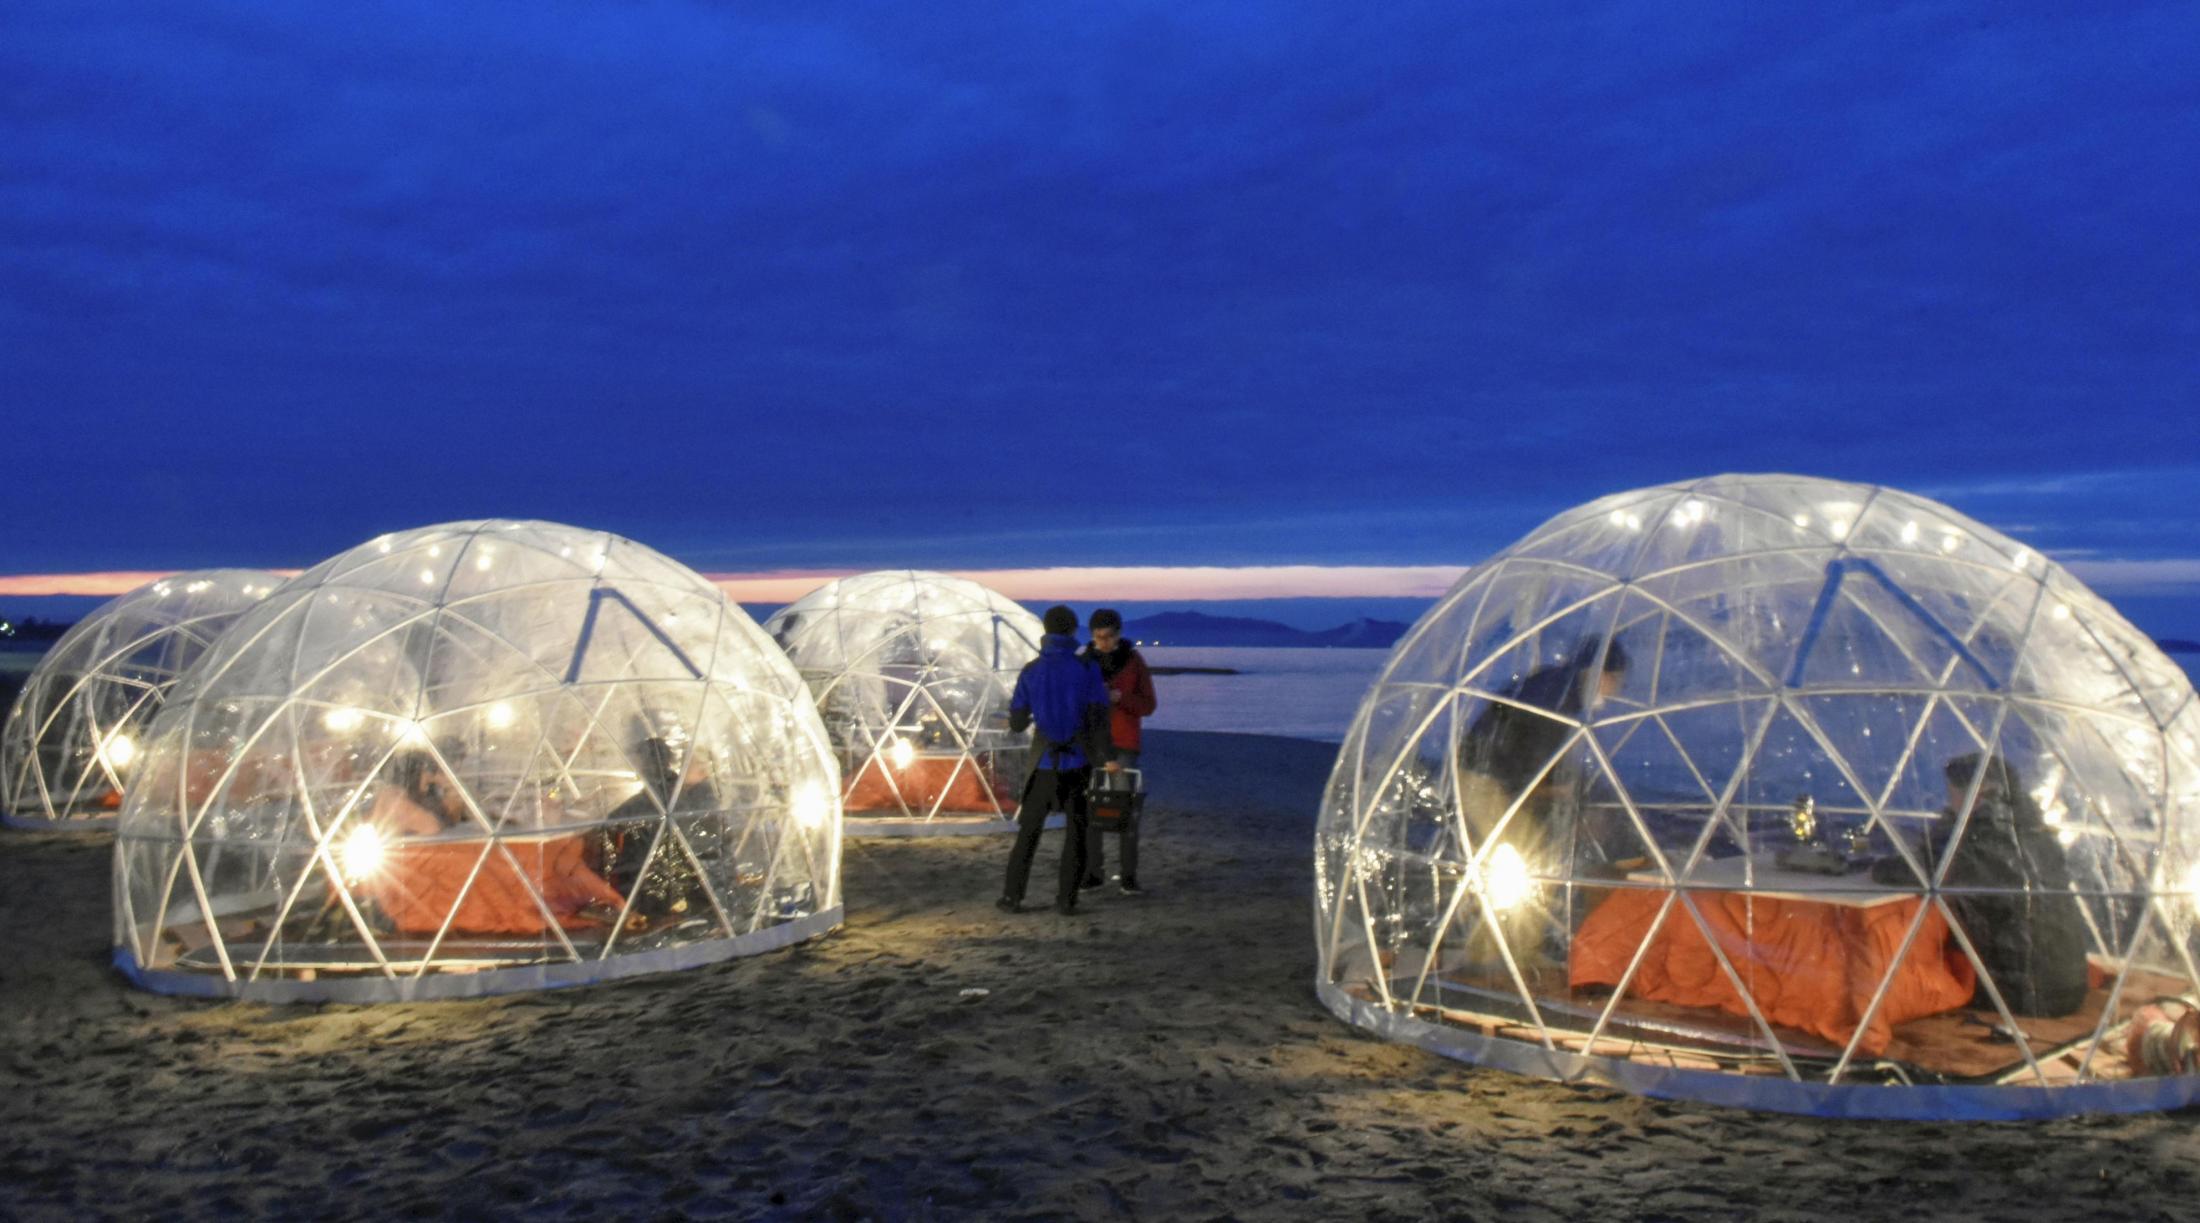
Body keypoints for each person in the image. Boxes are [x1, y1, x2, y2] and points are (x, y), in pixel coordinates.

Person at [1873, 753, 2088, 1017]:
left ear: (1979, 793)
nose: (1950, 802)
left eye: (1953, 794)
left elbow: (1918, 872)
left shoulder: (1988, 839)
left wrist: (1876, 865)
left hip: (2028, 994)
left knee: (1922, 972)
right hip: (2067, 983)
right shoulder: (2032, 829)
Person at [998, 605, 1114, 915]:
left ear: (1046, 631)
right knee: (1076, 834)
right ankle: (1066, 900)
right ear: (1073, 631)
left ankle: (1012, 897)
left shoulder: (1031, 670)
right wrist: (1108, 755)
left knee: (1028, 833)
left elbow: (1018, 722)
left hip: (1044, 763)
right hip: (1078, 762)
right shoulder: (1087, 669)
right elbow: (1099, 718)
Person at [1079, 608, 1157, 894]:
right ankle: (1094, 872)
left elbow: (1149, 705)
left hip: (1123, 743)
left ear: (1119, 634)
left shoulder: (1133, 661)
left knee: (1125, 809)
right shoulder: (1084, 661)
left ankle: (1128, 875)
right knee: (1091, 809)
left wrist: (1121, 698)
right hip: (1091, 743)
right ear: (1091, 635)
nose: (1104, 643)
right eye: (1098, 637)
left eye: (1109, 637)